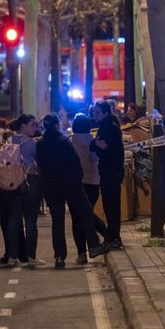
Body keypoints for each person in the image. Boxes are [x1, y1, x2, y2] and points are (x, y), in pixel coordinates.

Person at [36, 113, 108, 268]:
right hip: (70, 184)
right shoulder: (63, 141)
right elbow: (75, 161)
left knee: (58, 221)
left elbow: (40, 164)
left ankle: (60, 257)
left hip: (51, 187)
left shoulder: (40, 143)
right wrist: (76, 179)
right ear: (56, 125)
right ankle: (94, 245)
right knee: (86, 212)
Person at [3, 114, 45, 266]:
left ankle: (12, 256)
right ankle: (31, 256)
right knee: (31, 221)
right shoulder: (34, 143)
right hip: (31, 182)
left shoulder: (9, 141)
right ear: (23, 126)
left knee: (14, 221)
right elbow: (39, 164)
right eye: (32, 124)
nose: (35, 127)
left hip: (13, 184)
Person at [70, 113, 108, 264]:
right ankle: (105, 234)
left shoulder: (71, 141)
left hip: (77, 182)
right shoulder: (92, 140)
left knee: (78, 217)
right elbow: (96, 159)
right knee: (87, 213)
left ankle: (82, 253)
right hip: (93, 182)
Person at [90, 100, 125, 250]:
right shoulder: (106, 126)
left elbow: (110, 149)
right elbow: (95, 145)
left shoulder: (109, 127)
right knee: (110, 206)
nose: (95, 115)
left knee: (112, 206)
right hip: (109, 171)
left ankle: (113, 237)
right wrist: (99, 145)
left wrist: (102, 147)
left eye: (97, 112)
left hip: (111, 171)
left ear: (105, 112)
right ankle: (112, 237)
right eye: (94, 112)